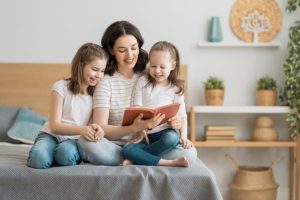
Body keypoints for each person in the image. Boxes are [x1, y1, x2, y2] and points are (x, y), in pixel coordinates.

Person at [77, 21, 197, 166]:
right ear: (111, 50)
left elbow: (171, 104)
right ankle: (141, 158)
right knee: (85, 143)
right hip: (114, 147)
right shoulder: (105, 82)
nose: (130, 55)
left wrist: (175, 122)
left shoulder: (152, 74)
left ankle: (137, 158)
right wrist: (134, 128)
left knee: (189, 153)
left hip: (150, 144)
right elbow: (100, 126)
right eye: (122, 50)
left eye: (134, 48)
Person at [27, 43, 108, 169]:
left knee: (65, 155)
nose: (99, 75)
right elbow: (55, 126)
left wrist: (96, 130)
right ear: (80, 66)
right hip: (51, 135)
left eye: (102, 71)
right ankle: (48, 156)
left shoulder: (97, 94)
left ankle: (55, 156)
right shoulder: (60, 86)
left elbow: (92, 124)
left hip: (74, 140)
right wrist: (82, 129)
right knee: (38, 159)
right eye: (95, 69)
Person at [122, 41, 192, 167]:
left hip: (164, 134)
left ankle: (138, 158)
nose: (157, 71)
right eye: (153, 66)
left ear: (172, 65)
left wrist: (184, 136)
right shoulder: (142, 82)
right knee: (127, 150)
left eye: (162, 67)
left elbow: (183, 116)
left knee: (172, 138)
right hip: (145, 135)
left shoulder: (176, 89)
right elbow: (136, 108)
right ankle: (168, 163)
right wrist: (141, 129)